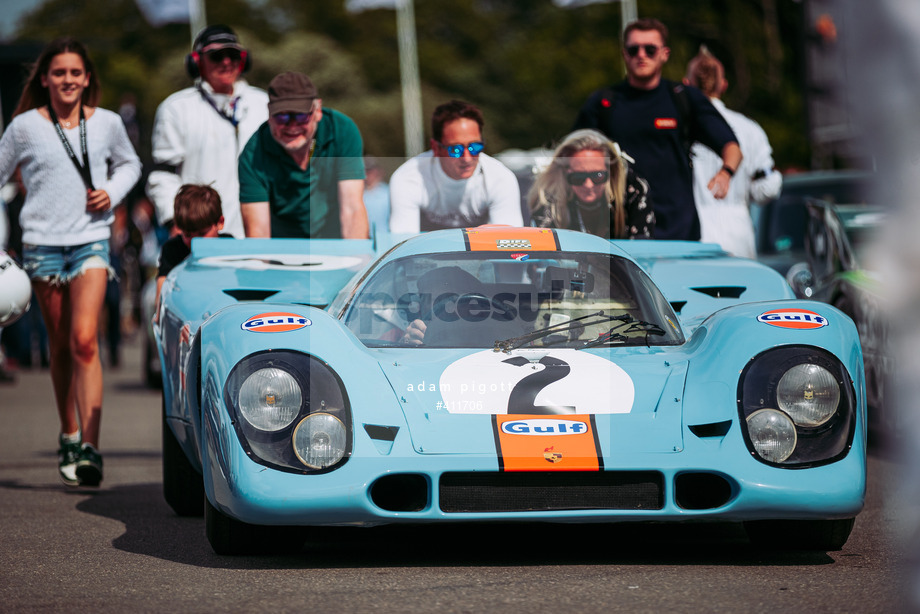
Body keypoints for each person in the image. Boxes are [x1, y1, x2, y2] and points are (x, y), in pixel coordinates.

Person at [0, 37, 142, 486]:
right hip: (42, 246)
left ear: (87, 79)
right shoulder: (24, 126)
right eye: (58, 72)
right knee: (59, 347)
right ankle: (68, 430)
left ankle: (91, 450)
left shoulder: (107, 123)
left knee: (84, 341)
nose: (67, 80)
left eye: (75, 73)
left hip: (90, 242)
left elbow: (131, 165)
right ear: (45, 78)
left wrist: (112, 193)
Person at [572, 17, 742, 241]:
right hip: (619, 234)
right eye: (634, 50)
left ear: (665, 54)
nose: (641, 55)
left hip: (677, 231)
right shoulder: (604, 103)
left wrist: (726, 172)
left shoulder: (683, 98)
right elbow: (570, 157)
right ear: (625, 55)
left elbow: (731, 146)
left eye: (650, 49)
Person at [146, 25, 267, 238]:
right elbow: (162, 175)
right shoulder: (176, 108)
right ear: (196, 62)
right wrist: (175, 222)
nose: (226, 62)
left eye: (232, 54)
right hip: (200, 236)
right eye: (216, 56)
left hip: (258, 234)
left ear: (243, 59)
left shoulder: (264, 103)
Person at [239, 71, 368, 239]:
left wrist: (357, 261)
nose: (292, 126)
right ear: (269, 115)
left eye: (301, 115)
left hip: (336, 243)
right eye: (282, 116)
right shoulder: (253, 154)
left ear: (318, 111)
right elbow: (258, 234)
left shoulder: (342, 131)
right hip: (282, 249)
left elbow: (352, 209)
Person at [685, 47, 782, 258]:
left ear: (686, 84)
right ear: (723, 85)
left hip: (692, 235)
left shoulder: (680, 127)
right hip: (738, 236)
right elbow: (768, 187)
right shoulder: (749, 128)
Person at [388, 100, 522, 233]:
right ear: (436, 148)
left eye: (475, 147)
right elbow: (403, 244)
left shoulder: (501, 178)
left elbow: (510, 243)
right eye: (456, 150)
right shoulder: (407, 179)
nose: (467, 158)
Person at [529, 129, 653, 239]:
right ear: (565, 173)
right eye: (578, 177)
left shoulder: (633, 189)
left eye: (598, 176)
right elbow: (543, 255)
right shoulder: (547, 195)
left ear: (611, 170)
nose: (588, 185)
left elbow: (643, 251)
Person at [155, 184, 231, 309]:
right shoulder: (172, 250)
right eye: (188, 234)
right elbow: (161, 299)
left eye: (202, 234)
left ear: (220, 222)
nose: (195, 241)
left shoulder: (231, 247)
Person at [363, 156, 391, 234]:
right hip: (363, 239)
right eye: (365, 170)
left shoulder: (388, 193)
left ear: (377, 171)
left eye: (370, 171)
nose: (368, 174)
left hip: (385, 238)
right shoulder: (356, 195)